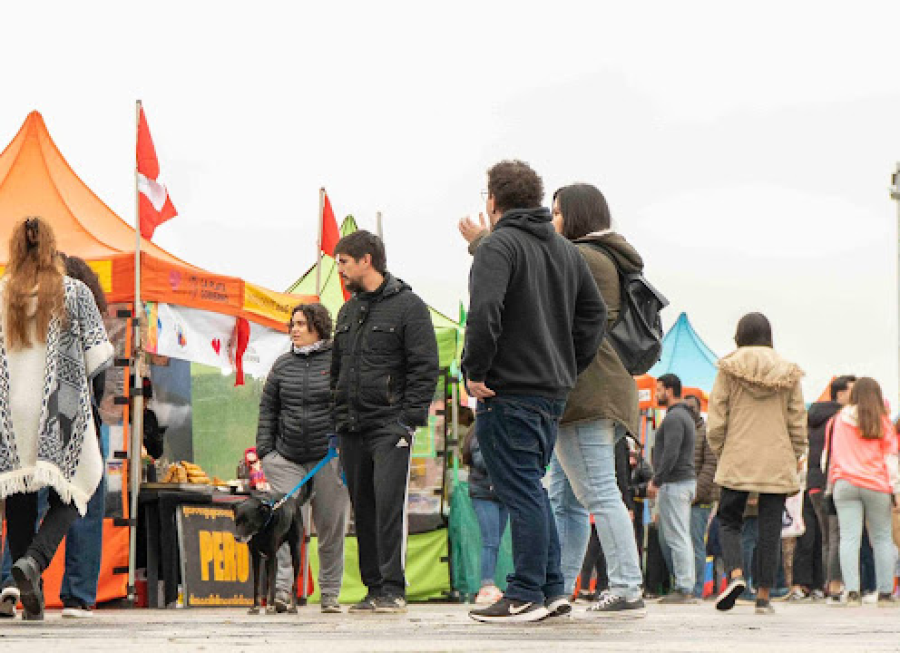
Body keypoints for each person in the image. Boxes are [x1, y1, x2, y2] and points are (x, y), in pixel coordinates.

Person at [462, 181, 645, 618]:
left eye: (559, 213)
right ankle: (556, 587)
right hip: (577, 391)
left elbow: (532, 283)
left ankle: (625, 585)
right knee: (562, 498)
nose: (551, 220)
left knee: (596, 490)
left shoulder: (582, 257)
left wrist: (486, 242)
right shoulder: (593, 255)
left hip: (587, 393)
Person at [0, 217, 113, 621]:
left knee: (20, 493)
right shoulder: (76, 292)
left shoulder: (3, 293)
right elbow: (98, 357)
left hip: (12, 409)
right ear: (51, 247)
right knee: (78, 486)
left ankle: (28, 590)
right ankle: (34, 560)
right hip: (60, 405)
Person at [331, 231, 439, 615]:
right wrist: (337, 417)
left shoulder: (410, 306)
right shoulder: (347, 312)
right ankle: (373, 587)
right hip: (351, 426)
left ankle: (393, 588)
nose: (339, 270)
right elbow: (337, 370)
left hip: (389, 426)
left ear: (366, 260)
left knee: (389, 506)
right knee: (363, 508)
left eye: (344, 262)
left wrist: (408, 420)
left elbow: (425, 367)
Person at [708, 312, 807, 615]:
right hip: (776, 456)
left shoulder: (728, 368)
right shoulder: (788, 372)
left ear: (740, 335)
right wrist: (795, 453)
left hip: (737, 453)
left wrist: (722, 449)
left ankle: (736, 574)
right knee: (770, 527)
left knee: (729, 519)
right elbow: (797, 420)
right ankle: (764, 596)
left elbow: (717, 417)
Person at [257, 302, 350, 614]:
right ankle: (282, 592)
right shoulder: (282, 365)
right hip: (287, 458)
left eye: (300, 324)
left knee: (331, 528)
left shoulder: (339, 360)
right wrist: (266, 452)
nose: (294, 330)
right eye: (292, 324)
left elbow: (347, 403)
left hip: (329, 457)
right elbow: (268, 410)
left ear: (317, 327)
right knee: (284, 525)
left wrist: (344, 444)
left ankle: (330, 594)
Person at [57, 254, 109, 619]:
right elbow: (99, 367)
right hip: (80, 410)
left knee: (32, 501)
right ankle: (78, 595)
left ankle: (10, 581)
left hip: (36, 413)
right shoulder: (86, 310)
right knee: (87, 500)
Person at [826, 377, 898, 607]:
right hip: (876, 484)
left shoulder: (839, 419)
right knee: (882, 538)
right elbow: (891, 458)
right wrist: (896, 489)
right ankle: (885, 594)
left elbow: (830, 455)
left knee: (849, 538)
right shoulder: (882, 420)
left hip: (845, 482)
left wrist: (831, 484)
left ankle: (852, 592)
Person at [795, 375, 855, 603]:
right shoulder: (841, 418)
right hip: (831, 480)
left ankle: (821, 584)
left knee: (823, 537)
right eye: (852, 391)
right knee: (834, 535)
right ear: (841, 394)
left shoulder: (815, 417)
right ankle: (834, 586)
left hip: (813, 483)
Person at [648, 374, 697, 603]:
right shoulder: (683, 416)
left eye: (658, 389)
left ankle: (684, 587)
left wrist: (657, 480)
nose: (656, 394)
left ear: (669, 390)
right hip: (681, 482)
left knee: (677, 537)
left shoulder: (675, 417)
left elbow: (671, 452)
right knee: (679, 535)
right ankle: (684, 585)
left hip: (676, 482)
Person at [461, 407, 508, 605]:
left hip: (501, 493)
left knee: (495, 540)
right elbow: (481, 461)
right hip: (484, 493)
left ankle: (490, 584)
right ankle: (486, 585)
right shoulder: (482, 431)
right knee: (490, 541)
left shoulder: (489, 429)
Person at [685, 393, 718, 599]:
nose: (689, 411)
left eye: (692, 407)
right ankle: (685, 586)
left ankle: (696, 589)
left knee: (696, 544)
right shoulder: (683, 431)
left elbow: (710, 466)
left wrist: (696, 494)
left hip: (700, 499)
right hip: (683, 497)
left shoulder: (706, 432)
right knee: (683, 543)